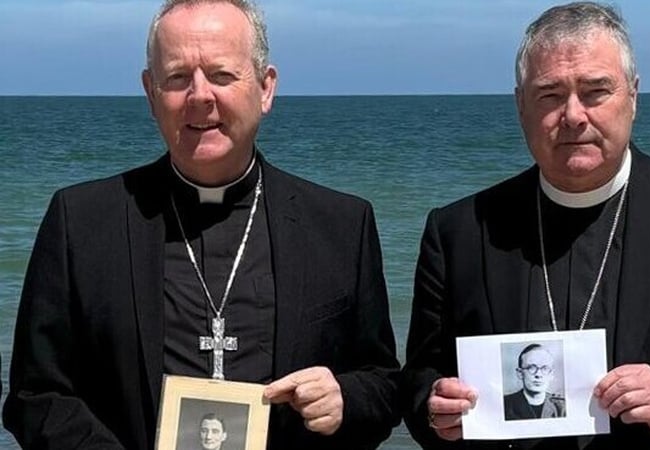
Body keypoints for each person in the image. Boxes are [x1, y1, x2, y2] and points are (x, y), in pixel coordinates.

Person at [3, 1, 400, 449]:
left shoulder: (341, 225)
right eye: (176, 78)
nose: (199, 96)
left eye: (222, 75)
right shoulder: (81, 221)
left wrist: (345, 399)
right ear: (151, 92)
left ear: (266, 88)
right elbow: (35, 395)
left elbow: (384, 384)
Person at [403, 2, 650, 449]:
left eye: (595, 91)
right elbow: (419, 380)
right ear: (520, 105)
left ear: (633, 95)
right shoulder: (458, 231)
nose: (573, 115)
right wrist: (435, 407)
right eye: (550, 95)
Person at [503, 344, 565, 421]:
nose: (538, 374)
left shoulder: (562, 408)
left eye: (545, 368)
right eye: (531, 368)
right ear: (520, 373)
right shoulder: (504, 405)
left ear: (551, 375)